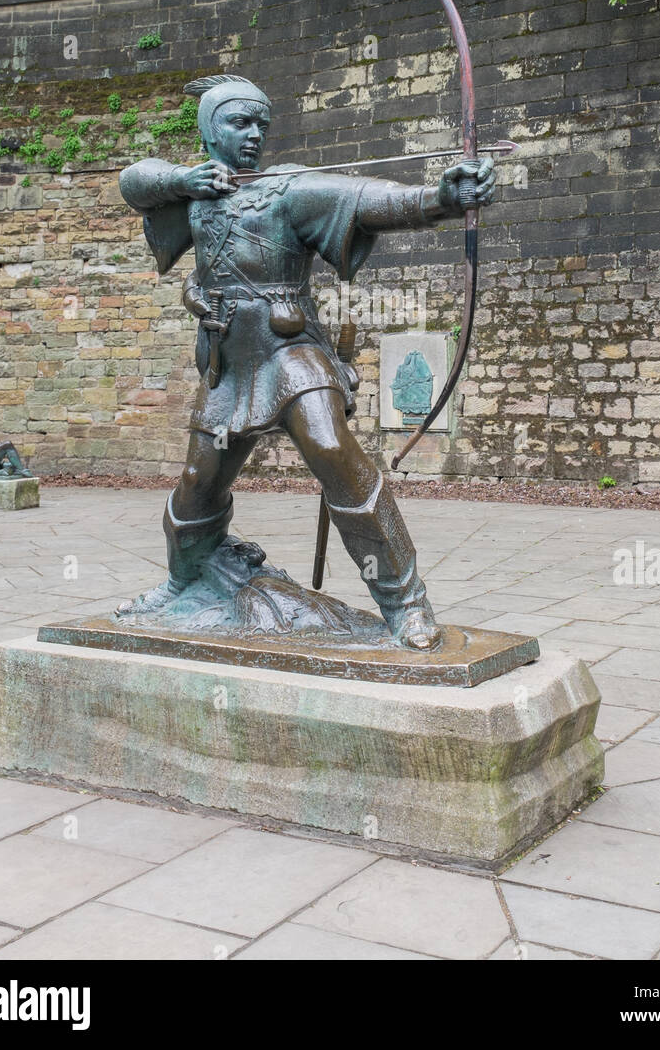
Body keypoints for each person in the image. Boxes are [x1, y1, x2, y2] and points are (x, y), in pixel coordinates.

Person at [119, 74, 495, 649]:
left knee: (330, 449)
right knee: (199, 481)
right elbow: (134, 181)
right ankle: (182, 579)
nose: (253, 135)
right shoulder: (192, 194)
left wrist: (440, 199)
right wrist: (182, 182)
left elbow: (370, 199)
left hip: (290, 353)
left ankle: (406, 602)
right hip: (226, 363)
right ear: (206, 129)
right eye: (237, 122)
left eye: (260, 125)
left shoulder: (286, 190)